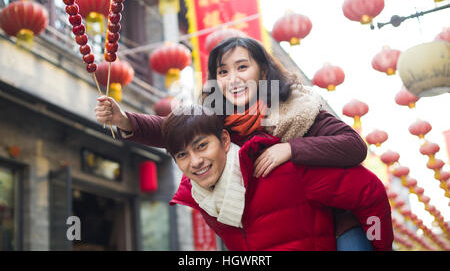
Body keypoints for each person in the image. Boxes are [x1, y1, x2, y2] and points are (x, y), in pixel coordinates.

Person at [95, 37, 372, 250]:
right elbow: (175, 129)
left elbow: (353, 145)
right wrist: (125, 120)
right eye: (223, 72)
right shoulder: (219, 120)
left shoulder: (297, 109)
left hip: (336, 227)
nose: (234, 79)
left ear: (262, 72)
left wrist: (290, 148)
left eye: (242, 67)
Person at [163, 104, 393, 251]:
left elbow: (369, 190)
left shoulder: (282, 170)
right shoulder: (204, 198)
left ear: (224, 140)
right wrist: (128, 124)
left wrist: (378, 245)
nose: (195, 161)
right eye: (182, 155)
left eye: (201, 146)